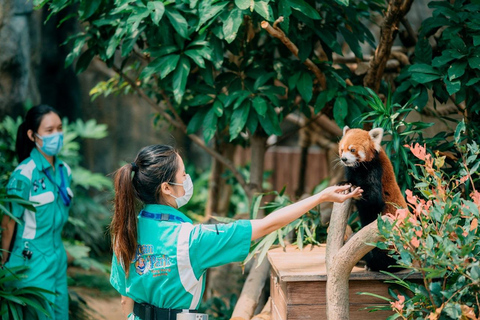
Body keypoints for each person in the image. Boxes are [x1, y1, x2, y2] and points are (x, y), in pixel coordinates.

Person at [110, 145, 363, 320]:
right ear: (166, 187)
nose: (187, 179)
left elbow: (125, 300)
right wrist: (321, 197)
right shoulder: (191, 240)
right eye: (183, 174)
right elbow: (265, 225)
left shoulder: (124, 232)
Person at [1, 105, 73, 320]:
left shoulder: (64, 171)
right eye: (49, 130)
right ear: (32, 135)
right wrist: (3, 260)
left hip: (57, 255)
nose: (57, 135)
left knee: (60, 314)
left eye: (59, 129)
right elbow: (9, 221)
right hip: (30, 259)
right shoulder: (24, 174)